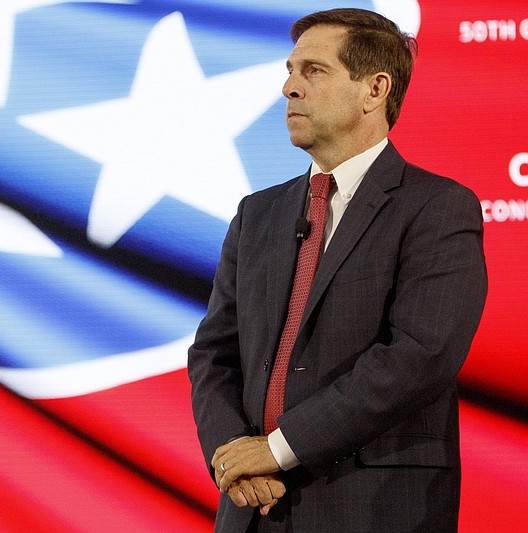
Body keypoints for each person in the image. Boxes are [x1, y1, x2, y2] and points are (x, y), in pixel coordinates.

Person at [188, 8, 487, 532]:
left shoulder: (437, 208)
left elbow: (420, 355)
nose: (288, 87)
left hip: (373, 506)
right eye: (289, 68)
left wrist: (279, 450)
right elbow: (214, 353)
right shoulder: (257, 214)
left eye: (313, 70)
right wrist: (234, 453)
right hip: (254, 508)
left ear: (374, 89)